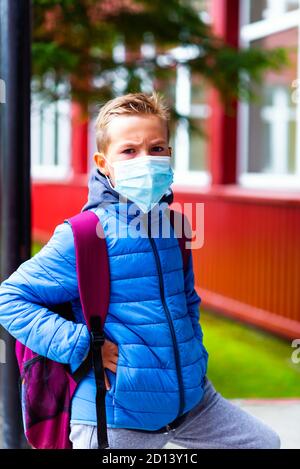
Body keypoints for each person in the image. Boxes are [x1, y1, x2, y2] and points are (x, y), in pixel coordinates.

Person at [0, 92, 280, 449]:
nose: (146, 160)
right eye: (129, 151)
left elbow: (188, 302)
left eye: (157, 148)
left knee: (261, 443)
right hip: (115, 416)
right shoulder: (84, 234)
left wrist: (193, 361)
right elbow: (10, 299)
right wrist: (82, 345)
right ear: (104, 163)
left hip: (193, 404)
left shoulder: (176, 228)